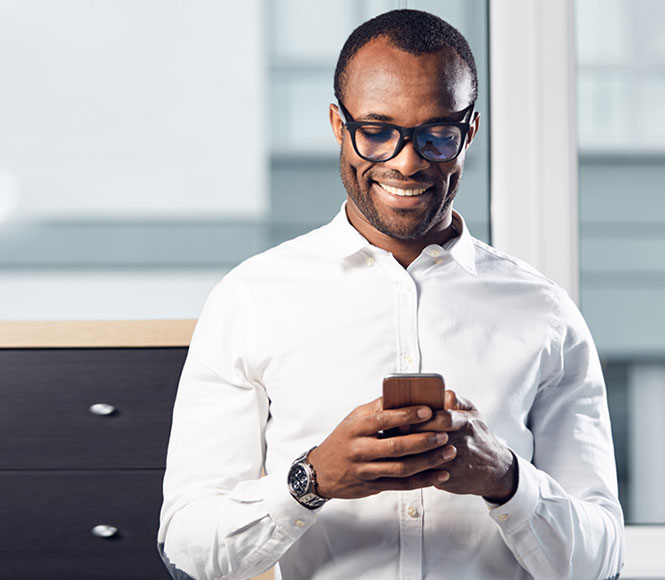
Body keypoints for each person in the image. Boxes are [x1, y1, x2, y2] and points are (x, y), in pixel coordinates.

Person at [158, 9, 624, 580]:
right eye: (377, 132)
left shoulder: (544, 313)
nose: (407, 162)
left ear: (469, 132)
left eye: (437, 134)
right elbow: (188, 548)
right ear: (338, 124)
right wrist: (312, 480)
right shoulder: (251, 301)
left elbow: (601, 562)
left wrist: (505, 478)